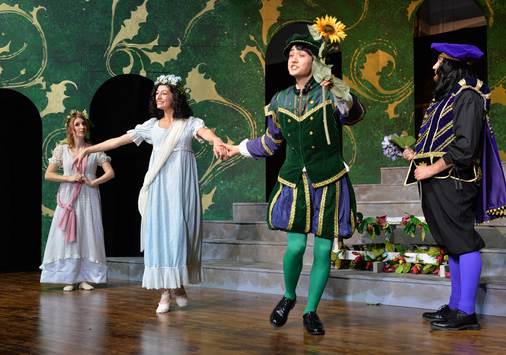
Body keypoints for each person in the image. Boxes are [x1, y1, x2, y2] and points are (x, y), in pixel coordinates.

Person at [224, 34, 366, 335]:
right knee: (297, 246)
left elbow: (353, 114)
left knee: (322, 250)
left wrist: (340, 91)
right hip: (294, 179)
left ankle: (311, 311)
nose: (292, 58)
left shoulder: (329, 93)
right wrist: (238, 148)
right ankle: (289, 296)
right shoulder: (280, 99)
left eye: (300, 54)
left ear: (314, 62)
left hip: (329, 178)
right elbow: (272, 141)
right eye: (290, 54)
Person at [72, 74, 227, 313]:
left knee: (179, 234)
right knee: (160, 235)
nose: (159, 97)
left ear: (175, 97)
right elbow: (117, 142)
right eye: (156, 93)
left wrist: (217, 141)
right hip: (159, 187)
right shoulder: (151, 126)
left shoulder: (189, 123)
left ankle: (179, 286)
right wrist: (88, 151)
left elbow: (207, 133)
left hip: (182, 188)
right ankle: (165, 292)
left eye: (164, 93)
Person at [403, 42, 506, 331]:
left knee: (463, 242)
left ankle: (467, 312)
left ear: (451, 66)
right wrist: (415, 155)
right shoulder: (446, 98)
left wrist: (431, 169)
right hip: (439, 181)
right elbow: (439, 142)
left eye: (439, 61)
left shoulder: (468, 95)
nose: (434, 67)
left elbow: (464, 147)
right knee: (452, 245)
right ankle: (456, 306)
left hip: (455, 181)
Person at [41, 110, 115, 291]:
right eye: (77, 124)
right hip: (68, 197)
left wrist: (92, 181)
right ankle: (69, 277)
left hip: (88, 196)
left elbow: (110, 173)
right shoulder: (62, 150)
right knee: (68, 235)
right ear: (70, 129)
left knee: (86, 232)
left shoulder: (94, 149)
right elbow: (48, 174)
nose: (81, 127)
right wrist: (69, 178)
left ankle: (85, 277)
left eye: (83, 124)